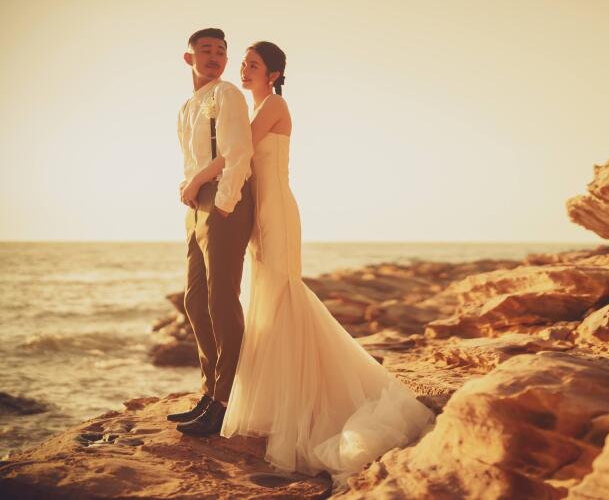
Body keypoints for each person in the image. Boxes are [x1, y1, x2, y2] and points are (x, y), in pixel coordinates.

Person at [188, 40, 434, 489]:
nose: (243, 70)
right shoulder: (252, 105)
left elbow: (234, 153)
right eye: (243, 64)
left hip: (276, 211)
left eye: (253, 65)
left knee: (284, 295)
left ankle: (303, 402)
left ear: (275, 74)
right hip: (258, 213)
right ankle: (274, 399)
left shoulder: (274, 106)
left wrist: (199, 178)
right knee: (265, 297)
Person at [166, 28, 254, 435]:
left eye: (221, 50)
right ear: (189, 58)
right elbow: (194, 159)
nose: (215, 56)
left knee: (221, 299)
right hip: (197, 204)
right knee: (195, 300)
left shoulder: (227, 94)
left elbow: (237, 152)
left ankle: (225, 400)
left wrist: (222, 202)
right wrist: (190, 190)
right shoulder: (187, 106)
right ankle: (209, 392)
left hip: (225, 198)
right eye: (206, 50)